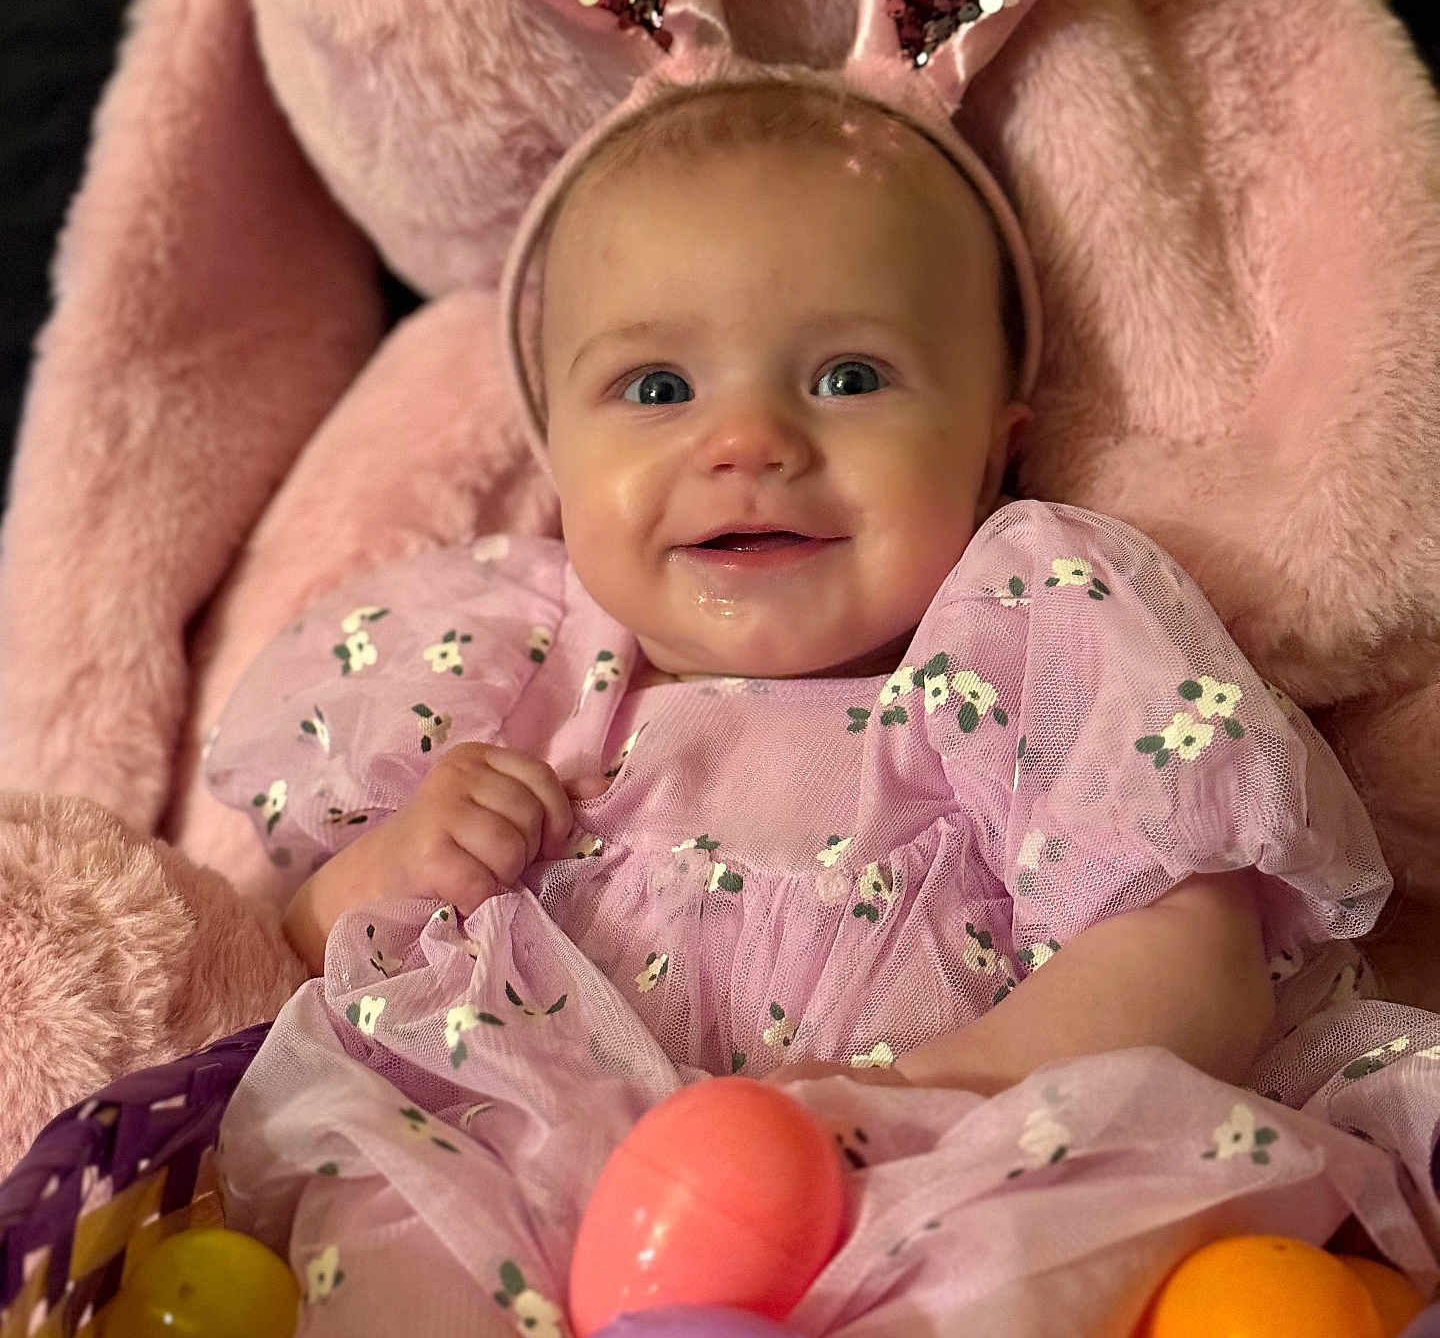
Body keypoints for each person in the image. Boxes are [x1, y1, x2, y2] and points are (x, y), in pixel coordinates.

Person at [206, 76, 1440, 1334]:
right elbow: (298, 980)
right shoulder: (506, 681)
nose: (747, 438)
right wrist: (395, 862)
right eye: (653, 388)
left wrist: (924, 1096)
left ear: (993, 445)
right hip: (537, 1206)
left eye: (850, 376)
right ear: (553, 457)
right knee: (390, 1223)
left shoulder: (1030, 634)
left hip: (934, 1185)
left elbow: (1195, 972)